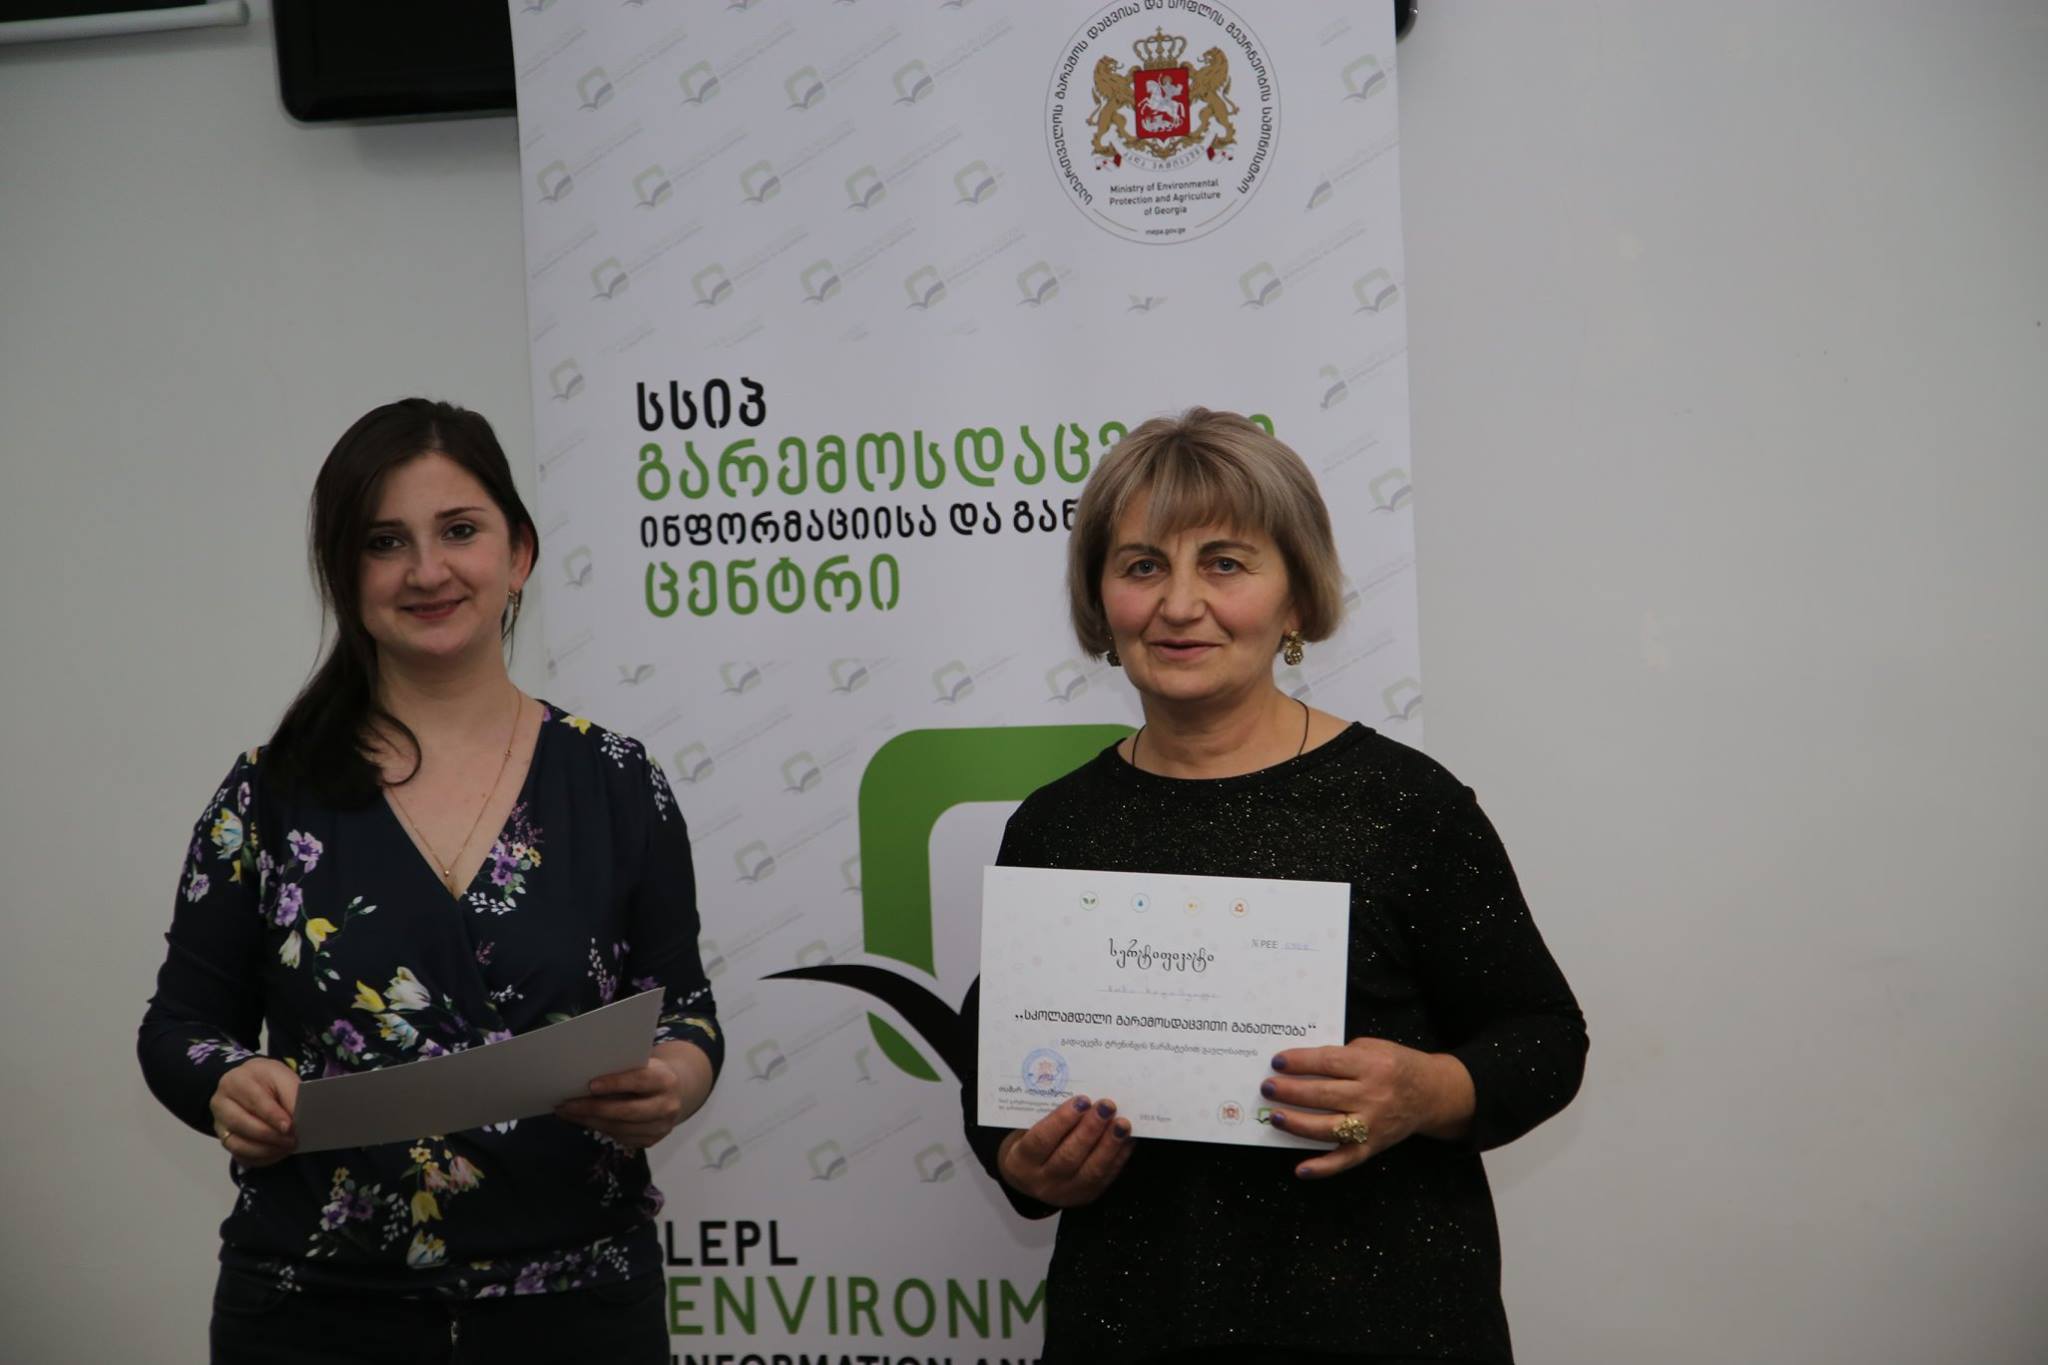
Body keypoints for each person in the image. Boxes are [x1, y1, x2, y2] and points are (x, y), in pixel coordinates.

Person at [959, 409, 1587, 1364]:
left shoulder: (1404, 805)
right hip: (1133, 1324)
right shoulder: (1054, 827)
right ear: (1100, 601)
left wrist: (1424, 1089)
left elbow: (1545, 1038)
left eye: (1224, 563)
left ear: (1296, 597)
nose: (1179, 604)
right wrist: (1023, 1161)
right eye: (1142, 566)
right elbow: (999, 1064)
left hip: (1386, 1325)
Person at [139, 398, 722, 1363]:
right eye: (385, 542)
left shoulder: (617, 781)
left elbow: (687, 1010)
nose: (427, 570)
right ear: (344, 572)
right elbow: (178, 1027)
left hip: (579, 1308)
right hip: (317, 1313)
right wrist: (228, 1082)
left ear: (519, 553)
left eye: (459, 530)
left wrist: (673, 1081)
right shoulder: (267, 794)